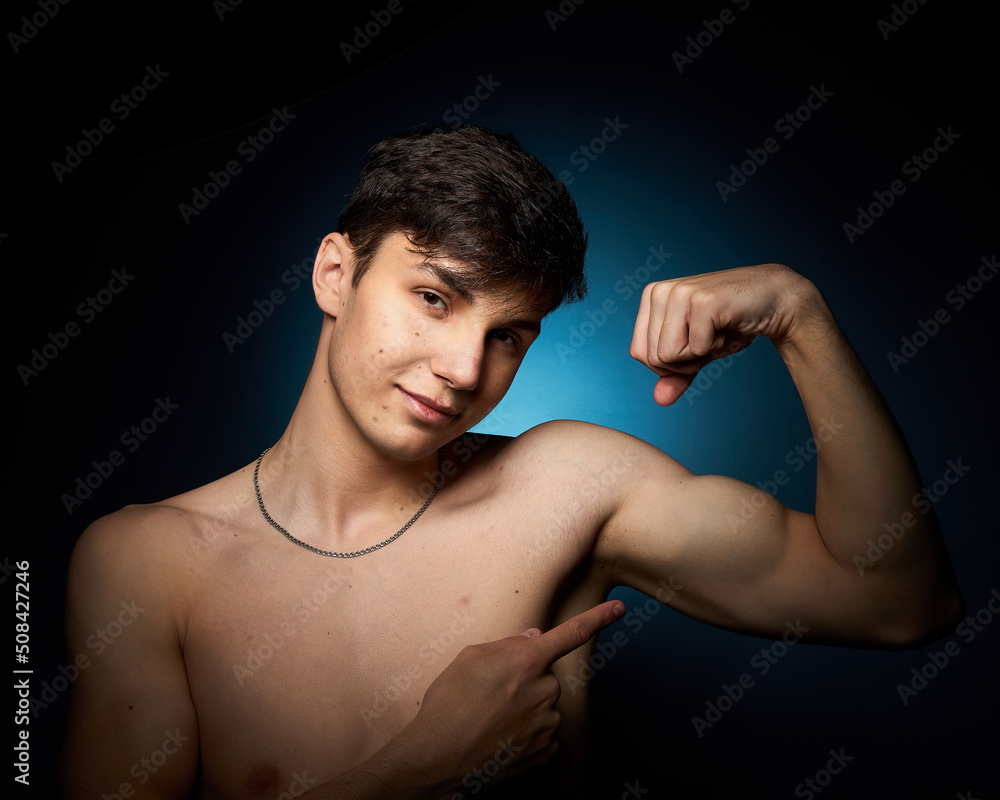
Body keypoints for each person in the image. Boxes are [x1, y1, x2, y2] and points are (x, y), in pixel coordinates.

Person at [61, 126, 963, 799]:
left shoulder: (568, 490)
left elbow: (896, 602)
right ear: (335, 274)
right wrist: (417, 769)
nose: (464, 370)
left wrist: (798, 317)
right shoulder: (146, 563)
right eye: (433, 298)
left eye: (507, 336)